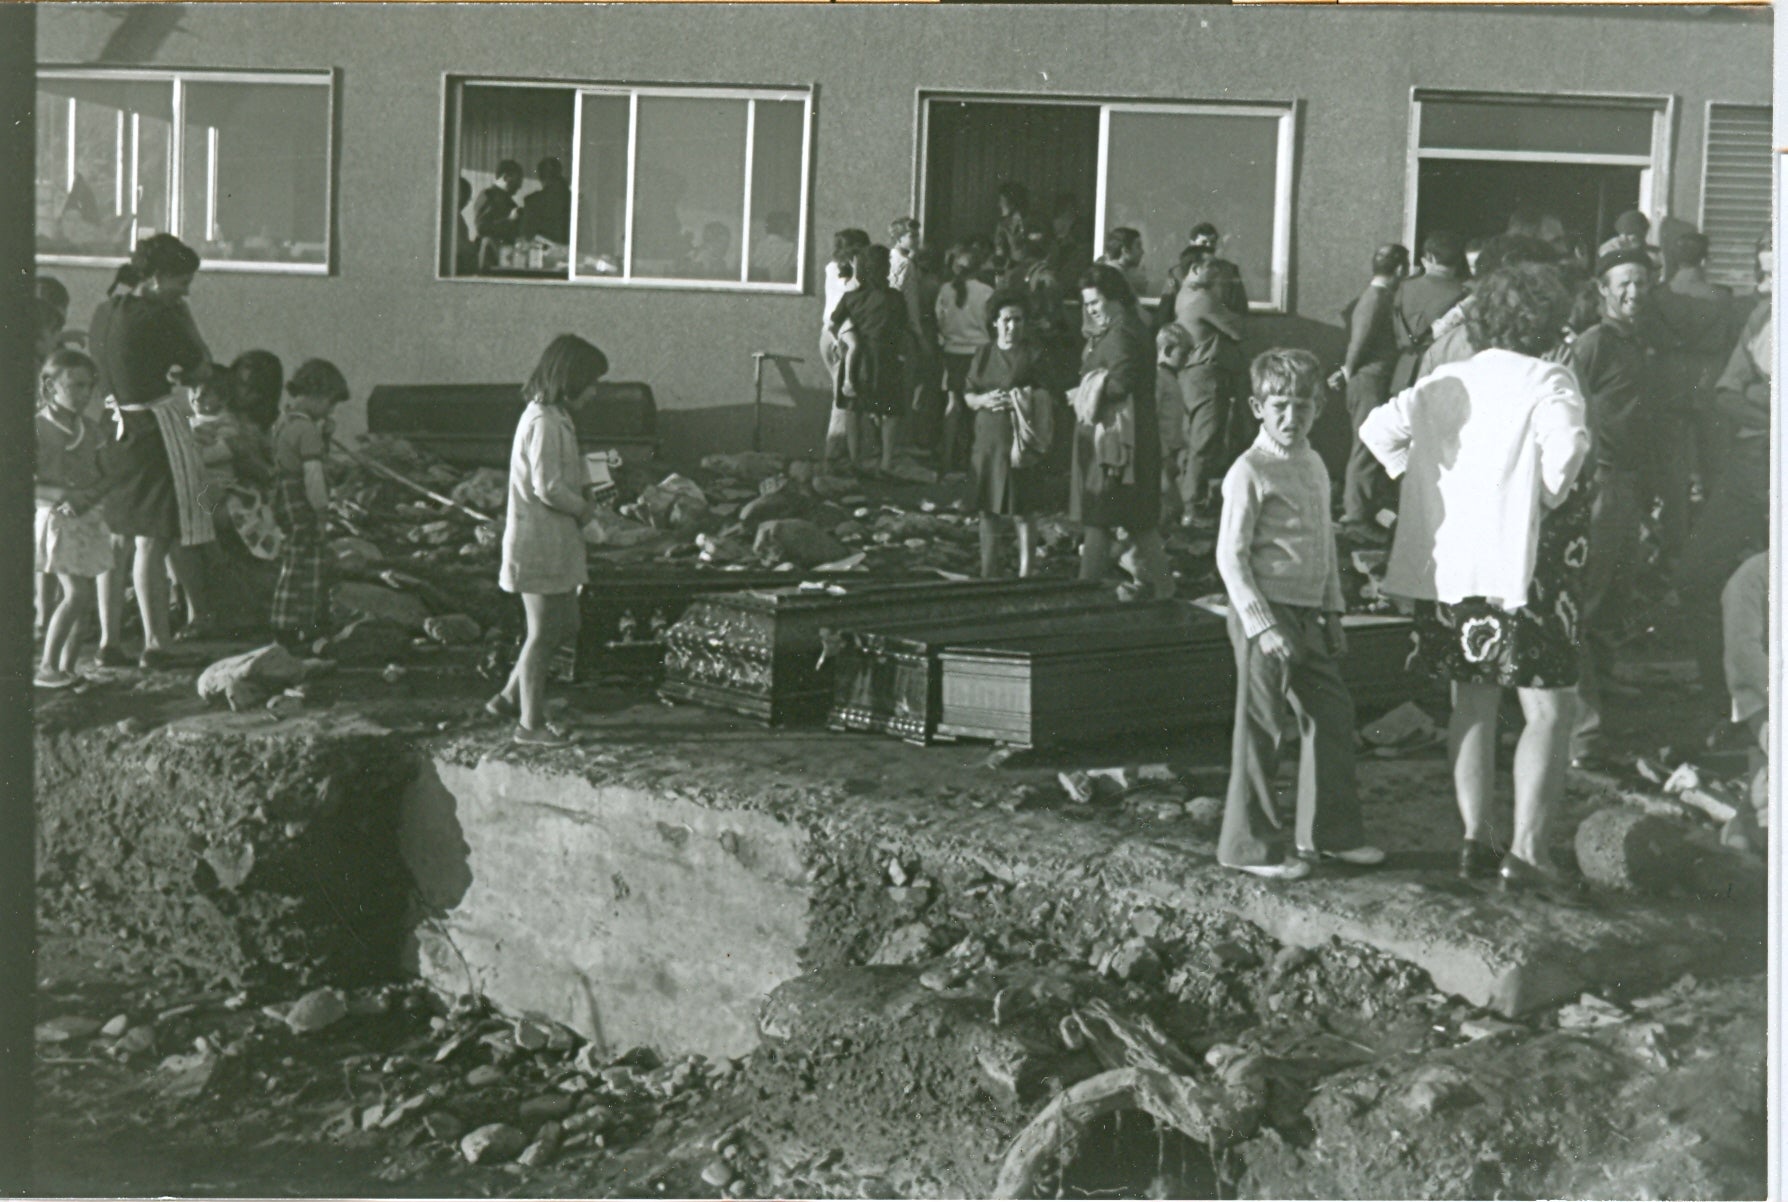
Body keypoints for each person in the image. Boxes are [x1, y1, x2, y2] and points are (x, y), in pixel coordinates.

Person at [1360, 263, 1591, 895]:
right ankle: (1527, 852)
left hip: (1455, 571)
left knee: (1472, 699)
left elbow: (1375, 429)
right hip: (1523, 571)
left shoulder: (1447, 378)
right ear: (1547, 323)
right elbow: (1567, 449)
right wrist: (1535, 500)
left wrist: (1430, 485)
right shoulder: (1550, 377)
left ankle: (1475, 840)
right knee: (1547, 710)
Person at [1216, 348, 1380, 880]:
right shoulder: (1249, 470)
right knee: (1263, 727)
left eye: (1303, 406)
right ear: (1256, 407)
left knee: (1331, 715)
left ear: (1319, 408)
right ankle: (1248, 846)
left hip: (1310, 613)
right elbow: (1230, 557)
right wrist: (1262, 625)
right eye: (1280, 405)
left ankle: (1329, 835)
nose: (1292, 418)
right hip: (1263, 614)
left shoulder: (1312, 464)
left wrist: (1334, 611)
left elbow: (1325, 544)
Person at [90, 233, 219, 668]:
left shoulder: (104, 311)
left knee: (117, 538)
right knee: (153, 541)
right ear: (159, 278)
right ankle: (156, 644)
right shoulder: (160, 316)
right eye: (182, 281)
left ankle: (109, 642)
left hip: (112, 429)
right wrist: (186, 320)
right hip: (150, 432)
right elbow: (201, 365)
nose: (187, 290)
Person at [489, 335, 609, 747]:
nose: (594, 392)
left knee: (565, 623)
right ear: (571, 379)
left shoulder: (556, 417)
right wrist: (584, 510)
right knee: (542, 633)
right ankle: (529, 725)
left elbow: (567, 470)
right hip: (537, 544)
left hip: (553, 542)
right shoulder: (542, 421)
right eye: (591, 383)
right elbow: (549, 487)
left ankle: (508, 696)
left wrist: (591, 487)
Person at [1674, 235, 1771, 715]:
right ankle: (1727, 700)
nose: (1766, 287)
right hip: (1751, 466)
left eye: (1776, 275)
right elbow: (1725, 391)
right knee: (1697, 575)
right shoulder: (1762, 319)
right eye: (1763, 274)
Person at [1567, 247, 1655, 770]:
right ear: (1602, 289)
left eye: (1642, 283)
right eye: (1624, 283)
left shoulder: (1639, 341)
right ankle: (1582, 731)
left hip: (1630, 483)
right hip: (1599, 483)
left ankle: (1602, 696)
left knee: (1611, 599)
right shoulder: (1593, 343)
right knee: (1584, 598)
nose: (1633, 292)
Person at [1071, 263, 1171, 601]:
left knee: (1100, 515)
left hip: (1116, 441)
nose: (1091, 310)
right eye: (1087, 304)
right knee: (1139, 519)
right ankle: (1161, 590)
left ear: (1115, 299)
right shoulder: (1130, 325)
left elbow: (1122, 380)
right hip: (1132, 436)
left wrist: (1085, 389)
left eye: (1096, 302)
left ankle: (1084, 591)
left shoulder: (1121, 332)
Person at [35, 350, 113, 688]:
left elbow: (108, 475)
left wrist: (89, 498)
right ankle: (47, 666)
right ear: (51, 386)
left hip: (87, 518)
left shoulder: (92, 429)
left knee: (86, 600)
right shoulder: (36, 428)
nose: (83, 393)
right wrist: (65, 497)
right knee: (75, 593)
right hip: (56, 520)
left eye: (89, 386)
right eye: (75, 385)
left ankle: (68, 669)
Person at [964, 293, 1051, 579]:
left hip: (1017, 442)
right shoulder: (984, 354)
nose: (1012, 326)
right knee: (987, 509)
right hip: (987, 440)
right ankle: (989, 570)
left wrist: (1021, 399)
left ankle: (1027, 571)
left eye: (1018, 320)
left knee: (1022, 509)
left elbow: (1047, 396)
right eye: (1006, 320)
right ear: (995, 323)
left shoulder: (1034, 355)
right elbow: (968, 394)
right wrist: (983, 400)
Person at [269, 360, 351, 649]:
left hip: (282, 497)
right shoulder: (307, 431)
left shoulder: (283, 422)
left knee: (294, 557)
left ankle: (289, 621)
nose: (330, 410)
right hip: (301, 500)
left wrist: (324, 435)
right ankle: (304, 623)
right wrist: (321, 509)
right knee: (310, 559)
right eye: (330, 403)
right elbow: (313, 476)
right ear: (318, 394)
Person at [1335, 244, 1410, 543]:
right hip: (1368, 381)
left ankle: (1361, 512)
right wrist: (1348, 372)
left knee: (1367, 448)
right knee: (1365, 449)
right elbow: (1358, 343)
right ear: (1401, 270)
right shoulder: (1376, 299)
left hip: (1370, 380)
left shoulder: (1378, 297)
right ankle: (1355, 519)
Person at [1169, 253, 1246, 530]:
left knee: (1192, 439)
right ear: (1195, 269)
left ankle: (1184, 502)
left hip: (1192, 374)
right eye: (1211, 271)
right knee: (1204, 439)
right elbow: (1238, 329)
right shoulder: (1203, 299)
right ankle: (1193, 507)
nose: (1216, 278)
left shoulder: (1184, 295)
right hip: (1206, 375)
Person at [831, 243, 911, 476]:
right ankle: (886, 463)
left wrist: (846, 339)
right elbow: (901, 328)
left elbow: (834, 324)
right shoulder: (894, 298)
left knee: (853, 411)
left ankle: (855, 461)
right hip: (885, 357)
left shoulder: (850, 297)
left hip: (856, 360)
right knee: (889, 412)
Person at [935, 244, 995, 478]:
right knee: (977, 407)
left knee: (953, 405)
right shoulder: (986, 291)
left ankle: (946, 459)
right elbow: (991, 323)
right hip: (979, 353)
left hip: (952, 353)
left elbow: (940, 320)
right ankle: (973, 460)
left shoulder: (945, 290)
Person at [1390, 231, 1469, 395]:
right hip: (1440, 375)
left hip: (1401, 373)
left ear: (1430, 257)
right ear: (1459, 260)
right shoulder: (1465, 293)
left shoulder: (1404, 287)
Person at [820, 228, 871, 469]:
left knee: (840, 395)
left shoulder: (832, 267)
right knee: (844, 398)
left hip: (829, 332)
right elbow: (853, 289)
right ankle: (835, 453)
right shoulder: (842, 270)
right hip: (842, 332)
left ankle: (838, 452)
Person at [473, 160, 525, 270]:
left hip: (504, 257)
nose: (519, 186)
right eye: (517, 181)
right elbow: (481, 228)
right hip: (491, 258)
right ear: (505, 177)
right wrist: (510, 220)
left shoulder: (508, 201)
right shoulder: (488, 195)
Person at [520, 156, 571, 245]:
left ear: (540, 176)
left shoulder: (533, 201)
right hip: (569, 251)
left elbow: (527, 236)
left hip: (541, 253)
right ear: (559, 173)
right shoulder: (571, 199)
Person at [992, 182, 1036, 272]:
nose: (999, 205)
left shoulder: (1036, 221)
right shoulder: (1003, 226)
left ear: (1012, 202)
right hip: (1016, 271)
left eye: (1001, 200)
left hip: (1037, 269)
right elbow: (1000, 254)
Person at [1099, 227, 1148, 299]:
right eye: (1138, 246)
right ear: (1125, 251)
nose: (1142, 252)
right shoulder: (1114, 277)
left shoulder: (1109, 271)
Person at [749, 211, 798, 283]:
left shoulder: (759, 245)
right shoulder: (790, 247)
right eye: (789, 225)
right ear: (782, 227)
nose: (793, 229)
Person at [454, 178, 477, 276]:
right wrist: (473, 247)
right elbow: (460, 246)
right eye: (467, 195)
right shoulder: (452, 217)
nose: (467, 202)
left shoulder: (457, 216)